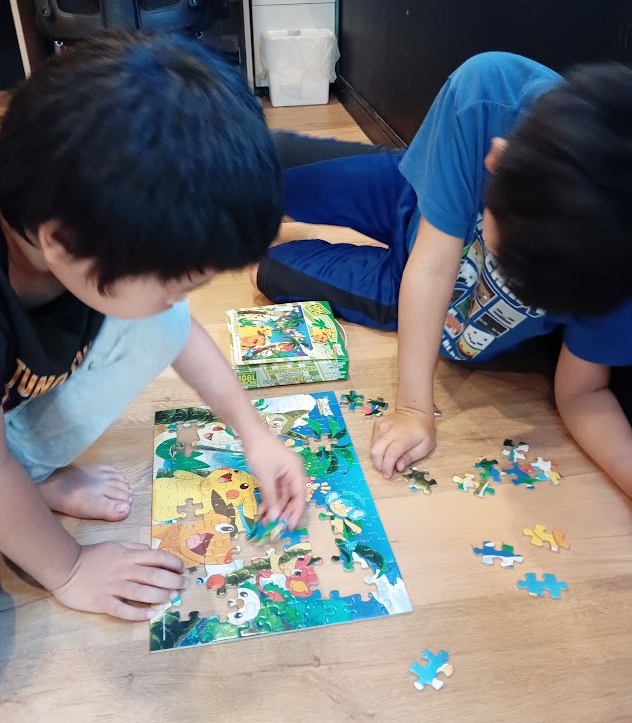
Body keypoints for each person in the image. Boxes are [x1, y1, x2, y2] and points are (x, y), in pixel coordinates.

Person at [0, 32, 306, 713]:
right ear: (60, 244)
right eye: (178, 284)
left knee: (157, 324)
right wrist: (69, 568)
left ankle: (24, 482)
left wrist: (256, 434)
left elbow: (173, 329)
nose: (182, 300)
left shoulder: (66, 208)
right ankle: (3, 505)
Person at [253, 51, 632, 498]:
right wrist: (413, 408)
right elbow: (433, 267)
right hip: (410, 200)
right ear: (496, 159)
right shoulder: (485, 90)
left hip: (424, 302)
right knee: (260, 162)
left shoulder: (616, 258)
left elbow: (583, 393)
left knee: (271, 268)